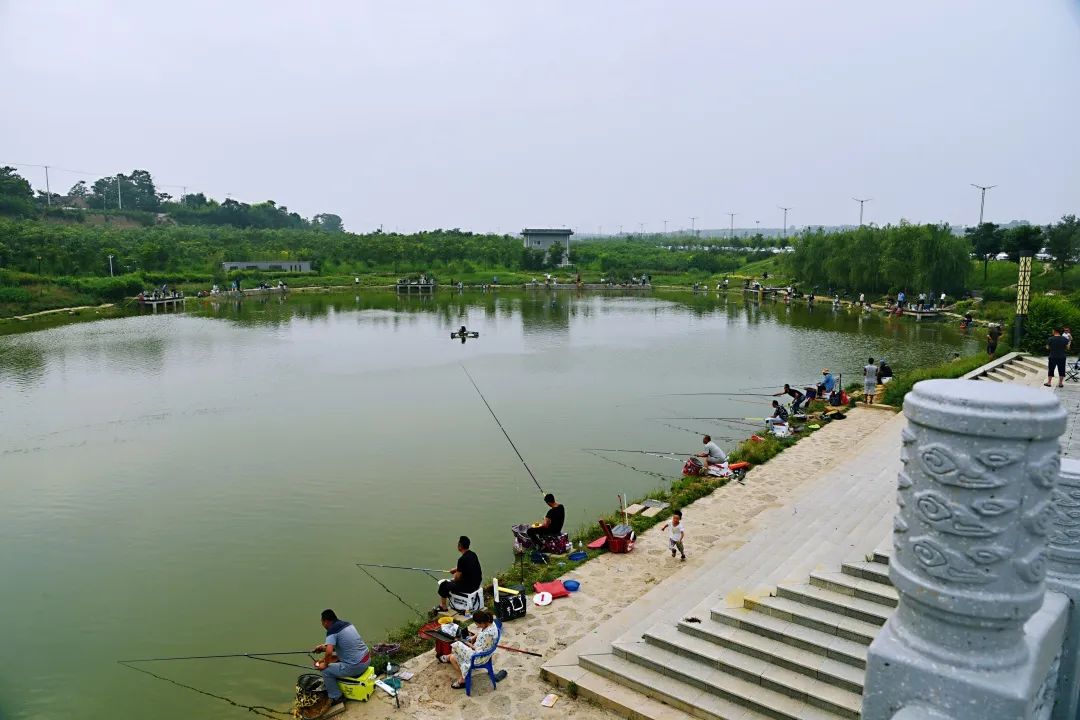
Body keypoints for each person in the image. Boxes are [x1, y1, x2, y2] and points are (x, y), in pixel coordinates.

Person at [313, 609, 370, 707]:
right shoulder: (347, 624)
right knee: (334, 659)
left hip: (356, 666)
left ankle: (336, 697)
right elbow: (341, 645)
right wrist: (322, 648)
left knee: (326, 671)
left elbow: (329, 652)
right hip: (367, 659)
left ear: (326, 621)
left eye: (322, 622)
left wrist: (324, 664)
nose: (322, 625)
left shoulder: (331, 631)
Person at [438, 609, 498, 689]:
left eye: (477, 624)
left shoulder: (487, 635)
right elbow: (482, 631)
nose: (477, 626)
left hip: (479, 658)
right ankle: (450, 658)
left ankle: (462, 680)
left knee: (456, 646)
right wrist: (473, 637)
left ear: (482, 623)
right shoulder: (490, 622)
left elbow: (477, 651)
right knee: (456, 652)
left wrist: (467, 644)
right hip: (483, 650)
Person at [435, 536, 482, 614]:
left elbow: (456, 578)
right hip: (476, 584)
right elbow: (467, 566)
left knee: (443, 585)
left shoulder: (461, 559)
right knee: (451, 583)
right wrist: (456, 569)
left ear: (460, 546)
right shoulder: (473, 554)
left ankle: (443, 606)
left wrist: (455, 575)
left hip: (468, 587)